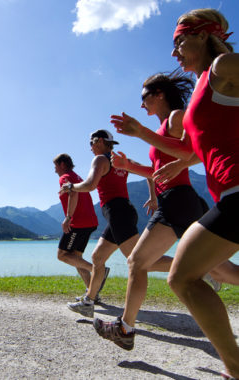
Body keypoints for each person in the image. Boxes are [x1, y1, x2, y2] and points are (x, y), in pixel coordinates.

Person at [109, 8, 239, 378]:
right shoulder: (201, 89)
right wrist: (171, 162)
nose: (174, 52)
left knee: (182, 276)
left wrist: (144, 136)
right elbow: (194, 150)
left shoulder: (224, 67)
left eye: (179, 41)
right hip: (226, 193)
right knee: (191, 273)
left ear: (203, 35)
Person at [93, 70, 223, 351]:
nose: (141, 105)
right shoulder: (164, 126)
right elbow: (158, 171)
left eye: (144, 98)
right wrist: (130, 167)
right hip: (175, 200)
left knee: (137, 262)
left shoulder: (177, 118)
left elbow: (194, 151)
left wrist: (141, 132)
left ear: (159, 94)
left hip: (178, 199)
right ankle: (125, 328)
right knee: (219, 268)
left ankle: (125, 329)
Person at [62, 130, 171, 318]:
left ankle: (199, 267)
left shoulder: (100, 160)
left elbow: (89, 185)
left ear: (101, 141)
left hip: (117, 213)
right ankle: (89, 301)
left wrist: (71, 187)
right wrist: (153, 197)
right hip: (121, 213)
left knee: (140, 261)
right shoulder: (121, 160)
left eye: (91, 142)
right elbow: (151, 173)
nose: (90, 147)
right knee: (97, 257)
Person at [53, 153, 98, 291]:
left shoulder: (65, 177)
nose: (55, 170)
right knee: (76, 258)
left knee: (62, 255)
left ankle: (98, 271)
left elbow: (73, 193)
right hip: (90, 222)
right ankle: (92, 293)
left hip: (79, 223)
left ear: (62, 165)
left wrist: (68, 217)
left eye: (55, 166)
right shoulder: (76, 177)